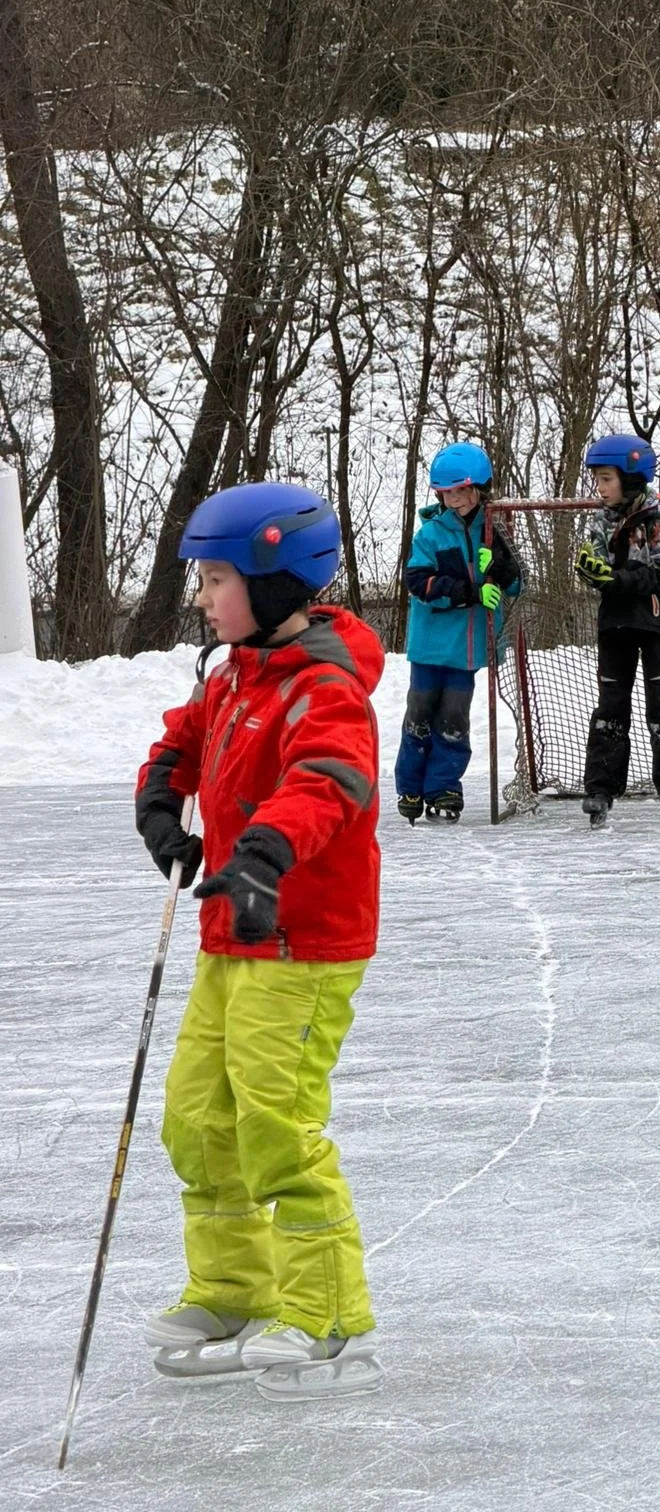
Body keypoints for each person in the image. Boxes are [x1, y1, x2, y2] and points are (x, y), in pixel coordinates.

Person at [134, 481, 385, 1401]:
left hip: (305, 941)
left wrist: (263, 857)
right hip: (229, 936)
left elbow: (328, 783)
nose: (202, 596)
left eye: (215, 578)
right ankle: (234, 1288)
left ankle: (325, 1312)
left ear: (279, 582)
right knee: (200, 1118)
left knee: (276, 1122)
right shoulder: (232, 673)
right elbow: (181, 743)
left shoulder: (326, 688)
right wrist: (160, 799)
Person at [394, 441, 521, 823]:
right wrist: (469, 591)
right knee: (419, 714)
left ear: (479, 489)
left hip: (467, 651)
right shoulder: (430, 535)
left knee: (453, 719)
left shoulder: (494, 531)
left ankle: (444, 786)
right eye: (447, 492)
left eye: (462, 491)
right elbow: (418, 582)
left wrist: (498, 566)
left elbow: (517, 584)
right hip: (432, 647)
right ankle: (411, 787)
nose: (454, 500)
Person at [575, 433, 660, 822]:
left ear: (631, 477)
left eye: (606, 478)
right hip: (614, 625)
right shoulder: (600, 519)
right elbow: (595, 562)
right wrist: (592, 573)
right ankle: (601, 788)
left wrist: (615, 579)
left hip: (656, 623)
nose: (600, 487)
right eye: (597, 479)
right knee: (611, 705)